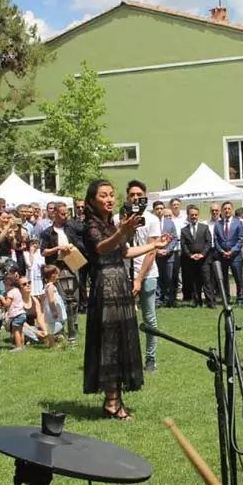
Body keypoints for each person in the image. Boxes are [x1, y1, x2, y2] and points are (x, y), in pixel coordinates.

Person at [81, 179, 169, 420]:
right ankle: (111, 402)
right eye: (103, 195)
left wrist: (154, 245)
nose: (109, 199)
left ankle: (115, 398)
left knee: (121, 340)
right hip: (105, 286)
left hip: (120, 283)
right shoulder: (90, 225)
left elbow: (126, 252)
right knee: (109, 342)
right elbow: (101, 248)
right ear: (92, 200)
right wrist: (123, 230)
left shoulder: (111, 224)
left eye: (111, 194)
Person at [126, 181, 162, 373]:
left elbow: (151, 251)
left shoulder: (152, 219)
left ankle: (150, 359)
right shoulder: (120, 218)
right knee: (126, 318)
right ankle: (130, 358)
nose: (135, 198)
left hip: (147, 275)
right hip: (125, 275)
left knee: (149, 319)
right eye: (132, 194)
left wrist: (139, 278)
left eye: (139, 194)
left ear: (145, 196)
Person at [40, 202, 83, 344]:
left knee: (74, 298)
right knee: (60, 299)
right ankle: (60, 330)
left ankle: (73, 327)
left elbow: (80, 242)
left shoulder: (70, 229)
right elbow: (43, 251)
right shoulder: (47, 232)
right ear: (55, 214)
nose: (66, 216)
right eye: (63, 213)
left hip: (71, 264)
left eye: (67, 213)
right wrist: (58, 248)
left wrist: (72, 246)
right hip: (56, 267)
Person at [180, 205, 214, 307]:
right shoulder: (184, 230)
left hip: (204, 260)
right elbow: (183, 244)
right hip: (191, 260)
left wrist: (202, 254)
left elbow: (208, 242)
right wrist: (190, 255)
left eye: (195, 215)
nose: (194, 216)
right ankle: (197, 302)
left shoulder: (204, 227)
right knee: (195, 282)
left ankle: (210, 302)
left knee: (207, 282)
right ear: (188, 216)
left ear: (198, 215)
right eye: (192, 215)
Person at [213, 201, 243, 305]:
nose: (227, 210)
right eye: (225, 209)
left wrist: (232, 251)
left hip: (235, 256)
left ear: (232, 210)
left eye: (229, 208)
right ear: (222, 211)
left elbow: (240, 239)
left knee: (238, 278)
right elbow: (216, 240)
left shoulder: (238, 223)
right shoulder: (218, 224)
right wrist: (221, 251)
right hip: (222, 255)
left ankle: (240, 299)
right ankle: (226, 298)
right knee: (224, 279)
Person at [153, 201, 178, 308]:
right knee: (157, 278)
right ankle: (158, 300)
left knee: (169, 278)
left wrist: (168, 250)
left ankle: (170, 300)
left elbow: (175, 237)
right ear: (154, 210)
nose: (159, 210)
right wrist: (157, 251)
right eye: (157, 208)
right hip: (155, 255)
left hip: (168, 255)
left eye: (161, 208)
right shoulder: (151, 222)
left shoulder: (170, 222)